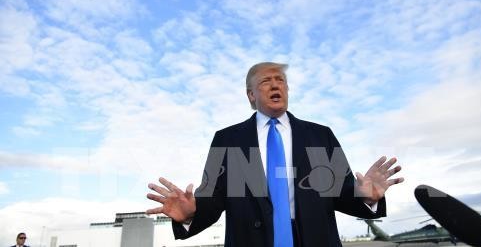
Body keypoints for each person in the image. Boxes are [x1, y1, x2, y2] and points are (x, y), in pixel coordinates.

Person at [146, 62, 404, 246]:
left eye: (280, 80)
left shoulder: (320, 135)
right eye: (266, 81)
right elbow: (214, 197)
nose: (275, 85)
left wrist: (365, 196)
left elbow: (340, 192)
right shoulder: (227, 139)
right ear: (251, 94)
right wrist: (193, 212)